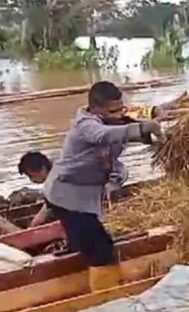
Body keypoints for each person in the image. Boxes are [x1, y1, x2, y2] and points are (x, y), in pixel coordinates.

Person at [43, 81, 163, 291]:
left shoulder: (113, 120)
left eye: (120, 109)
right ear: (96, 108)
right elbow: (104, 135)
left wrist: (156, 119)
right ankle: (105, 296)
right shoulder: (85, 125)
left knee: (91, 241)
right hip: (65, 197)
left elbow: (135, 120)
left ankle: (87, 267)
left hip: (83, 197)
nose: (118, 115)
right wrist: (143, 128)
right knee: (101, 251)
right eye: (112, 111)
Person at [17, 151, 54, 227]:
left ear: (42, 169)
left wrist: (31, 228)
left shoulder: (56, 182)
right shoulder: (58, 168)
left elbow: (45, 211)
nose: (32, 180)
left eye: (31, 176)